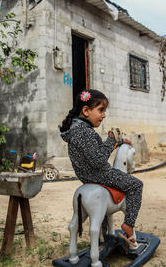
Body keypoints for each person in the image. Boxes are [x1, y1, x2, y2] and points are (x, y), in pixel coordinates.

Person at [59, 89, 143, 249]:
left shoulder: (76, 131)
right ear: (85, 111)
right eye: (100, 110)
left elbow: (96, 151)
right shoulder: (84, 133)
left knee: (104, 203)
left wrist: (118, 142)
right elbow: (99, 159)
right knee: (136, 185)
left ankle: (104, 236)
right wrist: (112, 139)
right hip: (99, 174)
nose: (104, 115)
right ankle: (129, 224)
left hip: (87, 176)